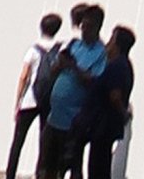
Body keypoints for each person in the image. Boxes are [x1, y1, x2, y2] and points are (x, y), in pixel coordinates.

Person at [42, 12, 111, 179]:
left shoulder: (101, 53)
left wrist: (73, 66)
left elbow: (93, 81)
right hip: (54, 117)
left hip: (72, 121)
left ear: (98, 27)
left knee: (71, 165)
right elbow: (54, 71)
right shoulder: (74, 45)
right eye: (82, 26)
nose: (84, 30)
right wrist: (59, 65)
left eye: (88, 26)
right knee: (48, 165)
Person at [11, 19, 68, 179]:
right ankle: (41, 173)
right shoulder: (60, 50)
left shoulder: (33, 50)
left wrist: (18, 101)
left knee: (18, 140)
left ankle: (10, 173)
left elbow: (24, 76)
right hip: (48, 101)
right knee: (45, 141)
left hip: (30, 100)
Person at [89, 31, 137, 179]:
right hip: (107, 126)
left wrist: (122, 112)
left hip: (104, 125)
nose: (108, 44)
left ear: (117, 45)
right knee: (101, 164)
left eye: (111, 40)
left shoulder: (117, 66)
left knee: (98, 167)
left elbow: (114, 95)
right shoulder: (124, 65)